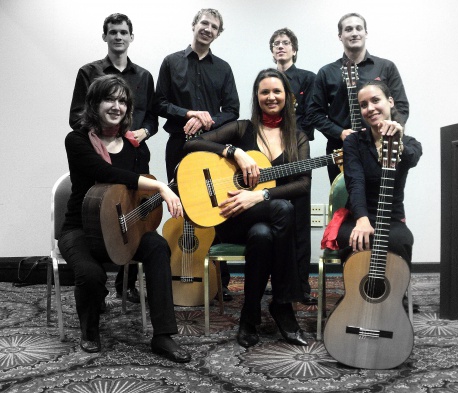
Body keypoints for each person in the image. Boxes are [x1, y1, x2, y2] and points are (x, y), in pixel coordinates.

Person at [59, 75, 190, 363]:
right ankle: (90, 330)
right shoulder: (78, 140)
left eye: (122, 100)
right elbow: (105, 173)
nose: (117, 106)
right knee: (91, 274)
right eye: (110, 99)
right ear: (94, 103)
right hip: (80, 228)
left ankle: (163, 335)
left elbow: (135, 193)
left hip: (122, 226)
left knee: (157, 247)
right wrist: (159, 186)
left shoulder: (134, 146)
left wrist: (153, 200)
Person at [184, 69, 309, 348]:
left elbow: (303, 185)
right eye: (264, 92)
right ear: (257, 97)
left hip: (264, 221)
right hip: (231, 217)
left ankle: (249, 315)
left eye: (277, 91)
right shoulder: (242, 129)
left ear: (287, 97)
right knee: (284, 211)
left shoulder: (297, 137)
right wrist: (233, 152)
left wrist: (259, 195)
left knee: (264, 234)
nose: (271, 97)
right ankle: (283, 306)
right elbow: (190, 144)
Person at [69, 13, 158, 304]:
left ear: (131, 37)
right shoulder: (88, 71)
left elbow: (152, 121)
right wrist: (106, 140)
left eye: (123, 32)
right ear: (105, 36)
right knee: (105, 214)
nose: (118, 36)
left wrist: (139, 134)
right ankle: (98, 287)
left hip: (133, 153)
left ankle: (126, 284)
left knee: (134, 214)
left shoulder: (144, 76)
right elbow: (76, 117)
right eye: (113, 32)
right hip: (100, 151)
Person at [155, 8, 240, 300]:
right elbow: (160, 104)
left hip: (213, 148)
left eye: (214, 26)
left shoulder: (224, 68)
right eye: (204, 23)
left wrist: (207, 120)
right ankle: (179, 275)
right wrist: (189, 113)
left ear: (218, 33)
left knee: (217, 208)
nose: (208, 29)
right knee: (181, 207)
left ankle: (221, 281)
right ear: (194, 25)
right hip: (178, 144)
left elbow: (232, 110)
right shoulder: (171, 62)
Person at [326, 80, 421, 273]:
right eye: (363, 105)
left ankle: (395, 296)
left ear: (391, 102)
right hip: (359, 215)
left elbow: (411, 159)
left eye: (375, 100)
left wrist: (398, 142)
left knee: (399, 241)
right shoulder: (354, 141)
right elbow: (355, 182)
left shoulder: (411, 143)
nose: (370, 108)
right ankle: (355, 295)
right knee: (354, 238)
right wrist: (362, 220)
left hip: (392, 218)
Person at [308, 12, 410, 184]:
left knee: (384, 202)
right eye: (348, 29)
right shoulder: (326, 72)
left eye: (358, 28)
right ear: (340, 36)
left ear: (366, 33)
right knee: (343, 204)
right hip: (340, 151)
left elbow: (400, 106)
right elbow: (313, 113)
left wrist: (388, 131)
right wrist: (340, 133)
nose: (354, 33)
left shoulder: (386, 67)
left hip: (382, 147)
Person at [269, 28, 317, 306]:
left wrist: (292, 140)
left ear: (294, 49)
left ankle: (301, 284)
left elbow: (309, 116)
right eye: (276, 44)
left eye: (285, 43)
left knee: (299, 222)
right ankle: (275, 282)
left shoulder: (307, 79)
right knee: (274, 221)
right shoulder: (268, 78)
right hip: (270, 154)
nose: (280, 47)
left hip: (297, 150)